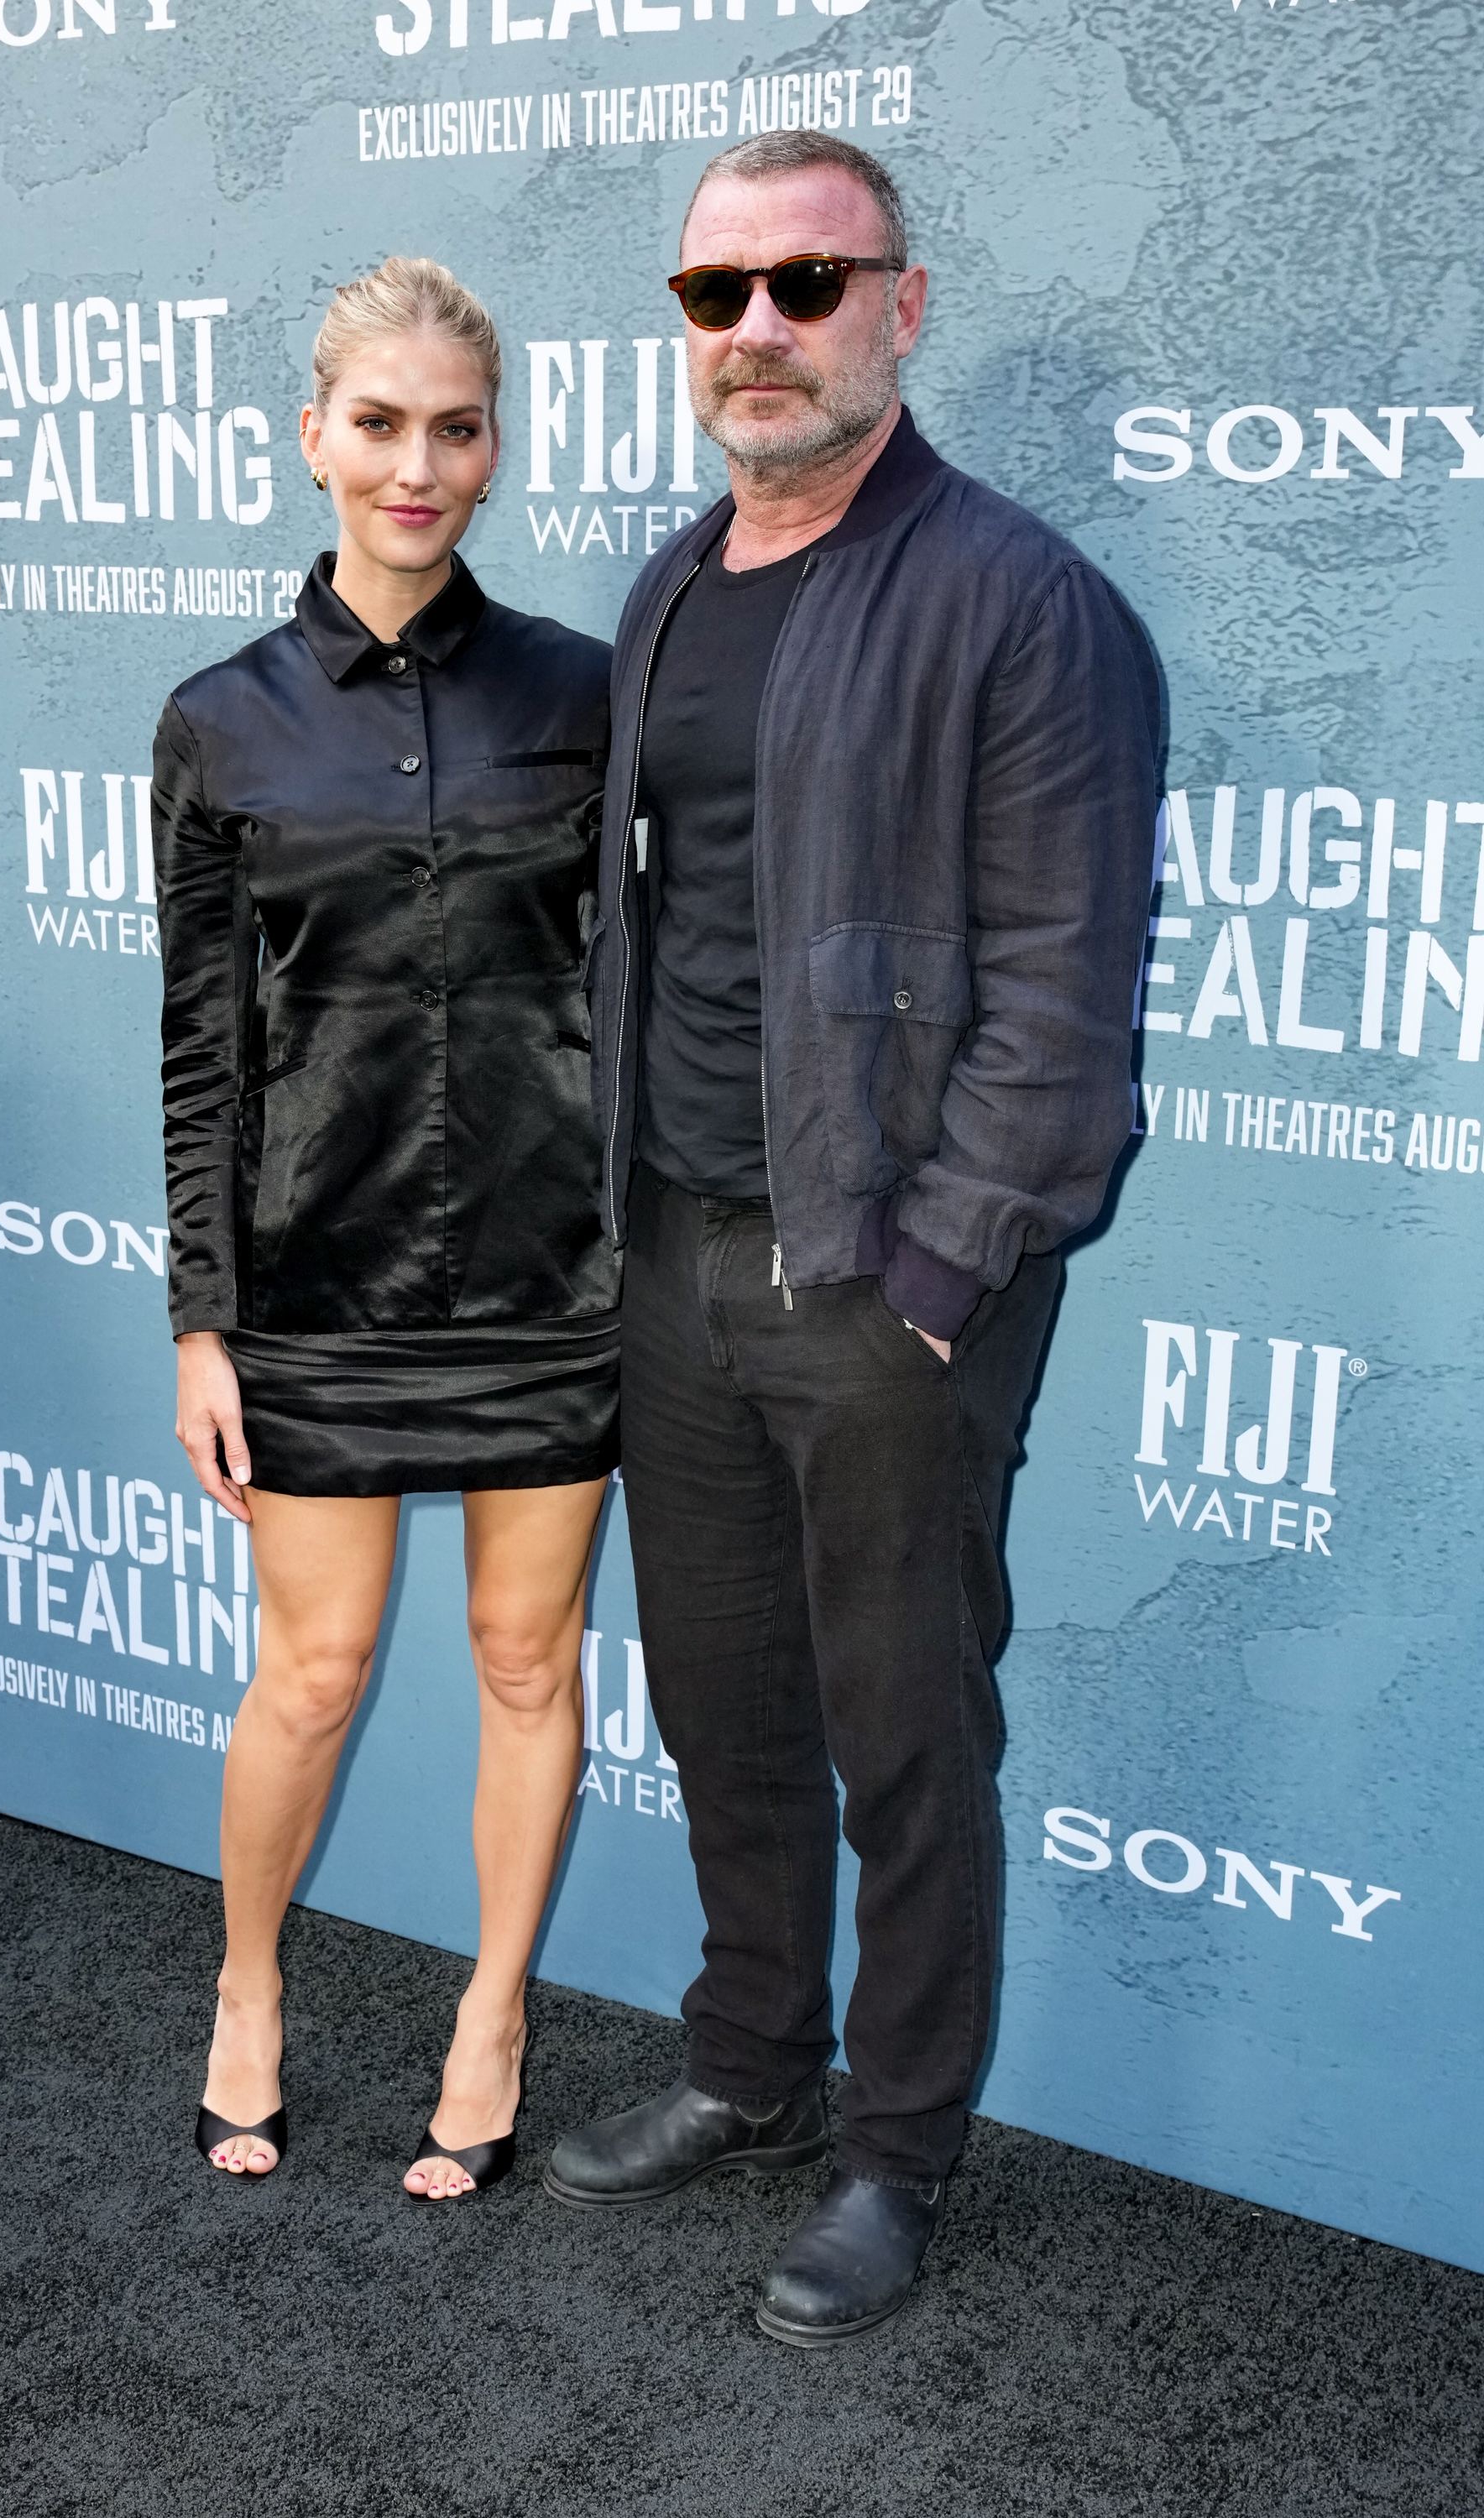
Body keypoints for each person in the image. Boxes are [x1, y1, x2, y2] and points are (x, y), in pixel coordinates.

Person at [547, 134, 1162, 2341]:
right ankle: (749, 2069)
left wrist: (935, 1281)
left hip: (886, 1291)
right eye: (718, 294)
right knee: (725, 1708)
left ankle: (899, 2156)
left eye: (808, 284)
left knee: (906, 1732)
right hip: (680, 1261)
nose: (760, 332)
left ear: (903, 307)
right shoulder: (668, 591)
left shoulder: (1018, 598)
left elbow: (1065, 994)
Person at [152, 258, 619, 2197]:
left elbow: (650, 983)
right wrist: (203, 1316)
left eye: (456, 428)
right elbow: (197, 1040)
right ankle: (246, 1988)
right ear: (311, 433)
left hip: (560, 1272)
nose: (416, 465)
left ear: (496, 448)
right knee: (314, 1676)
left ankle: (492, 2008)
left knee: (530, 1660)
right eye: (380, 423)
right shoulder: (218, 721)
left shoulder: (592, 694)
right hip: (319, 1274)